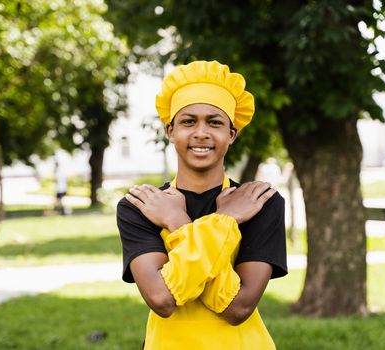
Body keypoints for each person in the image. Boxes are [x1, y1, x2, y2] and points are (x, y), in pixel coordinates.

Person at [116, 60, 287, 349]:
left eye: (215, 122)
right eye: (188, 121)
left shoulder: (260, 203)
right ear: (170, 131)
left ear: (231, 134)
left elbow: (238, 308)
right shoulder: (140, 206)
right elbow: (161, 299)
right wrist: (225, 220)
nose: (201, 132)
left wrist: (178, 224)